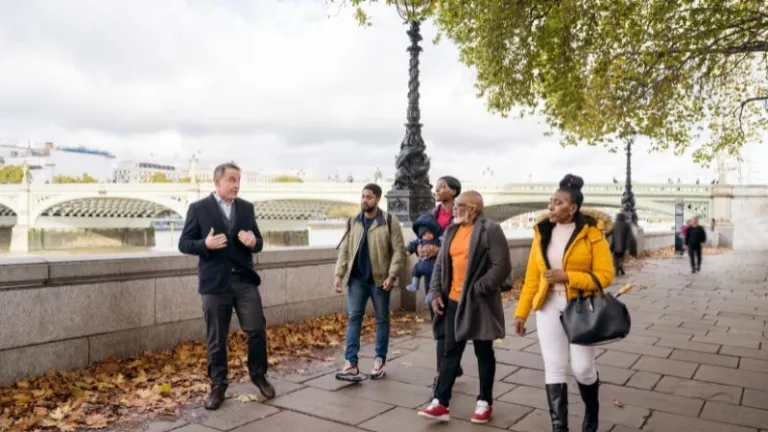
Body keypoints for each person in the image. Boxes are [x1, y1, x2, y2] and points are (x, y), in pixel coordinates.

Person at [513, 174, 614, 432]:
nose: (552, 206)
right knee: (554, 366)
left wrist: (568, 277)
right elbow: (532, 277)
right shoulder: (542, 232)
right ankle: (560, 428)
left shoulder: (593, 233)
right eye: (551, 201)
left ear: (573, 208)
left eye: (558, 203)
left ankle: (591, 411)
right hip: (548, 305)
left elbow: (605, 276)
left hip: (580, 307)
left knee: (583, 369)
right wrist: (521, 313)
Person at [178, 162, 275, 410]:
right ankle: (218, 385)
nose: (236, 185)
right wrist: (205, 244)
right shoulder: (198, 209)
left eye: (238, 180)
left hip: (244, 281)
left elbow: (259, 241)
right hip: (215, 283)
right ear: (217, 182)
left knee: (256, 329)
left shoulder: (246, 208)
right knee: (216, 337)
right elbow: (184, 243)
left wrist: (253, 242)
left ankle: (258, 375)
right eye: (232, 180)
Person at [417, 191, 511, 424]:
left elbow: (501, 266)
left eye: (458, 205)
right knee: (450, 352)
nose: (453, 208)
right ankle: (441, 402)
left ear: (472, 209)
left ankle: (485, 402)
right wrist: (435, 292)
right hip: (453, 301)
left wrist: (479, 288)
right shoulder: (452, 230)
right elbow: (441, 264)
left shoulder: (491, 230)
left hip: (479, 303)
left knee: (483, 351)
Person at [333, 183, 406, 381]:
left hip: (380, 280)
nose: (364, 200)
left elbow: (399, 251)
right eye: (363, 196)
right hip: (356, 279)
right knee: (354, 318)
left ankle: (379, 360)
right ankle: (351, 364)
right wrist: (339, 275)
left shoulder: (389, 221)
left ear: (378, 199)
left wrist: (392, 275)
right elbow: (345, 250)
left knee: (382, 319)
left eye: (369, 197)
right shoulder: (353, 221)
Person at [419, 176, 465, 396]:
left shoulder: (462, 216)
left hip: (456, 279)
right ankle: (448, 367)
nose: (437, 190)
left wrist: (438, 250)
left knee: (452, 325)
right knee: (439, 323)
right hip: (434, 277)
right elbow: (421, 240)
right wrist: (420, 248)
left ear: (454, 191)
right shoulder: (430, 217)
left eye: (442, 187)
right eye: (436, 187)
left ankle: (444, 371)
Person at [406, 214, 442, 293]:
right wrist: (407, 251)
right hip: (422, 265)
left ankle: (432, 295)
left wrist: (437, 249)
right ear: (421, 236)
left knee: (434, 282)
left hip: (434, 266)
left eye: (429, 233)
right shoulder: (419, 241)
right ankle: (415, 284)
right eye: (424, 234)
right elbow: (412, 245)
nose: (427, 236)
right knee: (415, 270)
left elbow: (444, 247)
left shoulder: (437, 241)